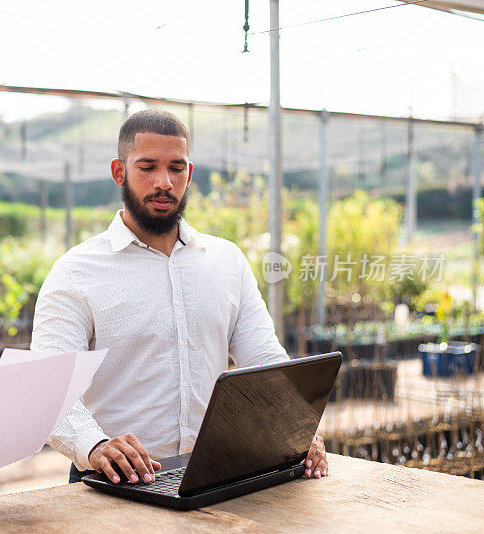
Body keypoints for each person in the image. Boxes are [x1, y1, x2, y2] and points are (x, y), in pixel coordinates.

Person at [31, 109, 327, 486]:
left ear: (189, 173)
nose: (164, 182)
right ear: (119, 172)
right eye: (148, 167)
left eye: (176, 167)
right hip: (115, 482)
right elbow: (49, 386)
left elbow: (265, 361)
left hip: (212, 473)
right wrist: (95, 446)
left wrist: (297, 429)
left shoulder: (226, 261)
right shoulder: (77, 271)